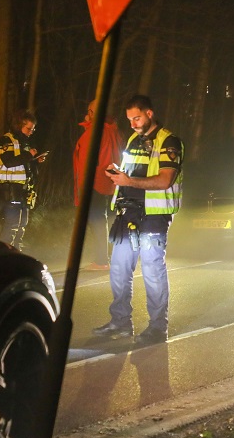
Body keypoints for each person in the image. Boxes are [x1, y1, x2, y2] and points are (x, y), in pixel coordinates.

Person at [92, 95, 183, 345]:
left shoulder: (169, 141)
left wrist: (128, 180)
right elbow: (131, 172)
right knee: (119, 270)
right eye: (130, 119)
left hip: (153, 215)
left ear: (149, 114)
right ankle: (120, 322)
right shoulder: (133, 139)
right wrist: (119, 173)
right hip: (128, 213)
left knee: (152, 271)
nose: (132, 123)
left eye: (137, 118)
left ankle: (158, 328)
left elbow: (165, 180)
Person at [74, 99, 123, 271]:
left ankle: (101, 260)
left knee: (97, 220)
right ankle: (108, 258)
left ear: (93, 112)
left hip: (94, 182)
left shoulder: (96, 132)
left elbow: (88, 159)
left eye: (90, 111)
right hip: (109, 182)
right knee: (105, 219)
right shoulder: (113, 130)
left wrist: (84, 185)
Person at [0, 109, 47, 251]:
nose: (31, 132)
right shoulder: (6, 140)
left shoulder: (24, 142)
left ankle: (16, 253)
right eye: (28, 129)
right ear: (19, 125)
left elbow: (23, 163)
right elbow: (9, 162)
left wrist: (35, 160)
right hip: (11, 190)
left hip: (24, 190)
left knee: (22, 225)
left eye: (33, 129)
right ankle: (4, 255)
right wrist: (29, 155)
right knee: (12, 225)